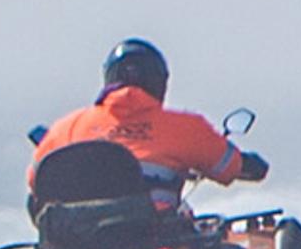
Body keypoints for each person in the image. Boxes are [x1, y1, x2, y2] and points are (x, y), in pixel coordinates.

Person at [33, 40, 269, 199]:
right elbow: (230, 166)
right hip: (153, 242)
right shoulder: (186, 129)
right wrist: (249, 164)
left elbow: (35, 181)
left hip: (76, 247)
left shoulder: (66, 128)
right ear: (159, 82)